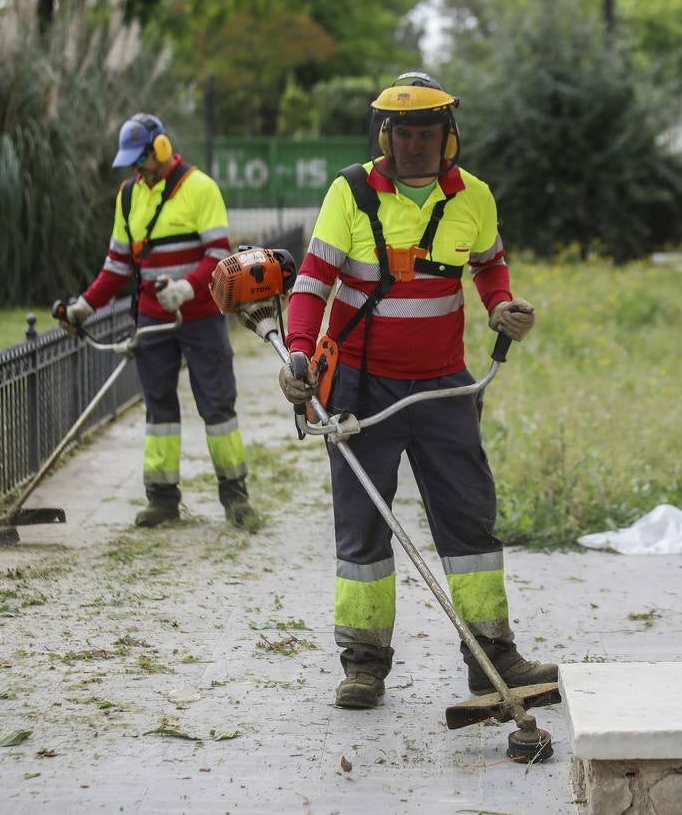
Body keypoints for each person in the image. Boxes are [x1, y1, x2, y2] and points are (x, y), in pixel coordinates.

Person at [277, 72, 554, 709]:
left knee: (469, 519)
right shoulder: (347, 194)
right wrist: (298, 352)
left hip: (444, 390)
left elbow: (489, 264)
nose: (416, 146)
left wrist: (502, 305)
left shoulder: (474, 196)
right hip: (359, 391)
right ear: (386, 134)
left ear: (447, 135)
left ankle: (493, 658)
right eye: (405, 133)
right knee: (363, 530)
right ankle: (364, 665)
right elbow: (314, 283)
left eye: (428, 133)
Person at [59, 113, 259, 531]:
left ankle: (235, 495)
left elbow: (218, 254)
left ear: (162, 148)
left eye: (142, 159)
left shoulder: (201, 188)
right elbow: (117, 264)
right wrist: (84, 307)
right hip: (151, 318)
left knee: (218, 406)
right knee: (159, 410)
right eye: (131, 162)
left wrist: (186, 288)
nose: (137, 168)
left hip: (200, 315)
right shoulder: (129, 196)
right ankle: (163, 499)